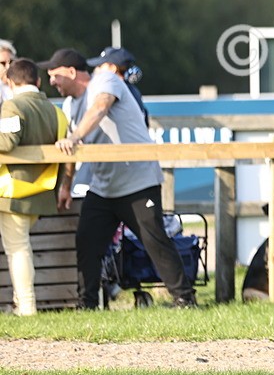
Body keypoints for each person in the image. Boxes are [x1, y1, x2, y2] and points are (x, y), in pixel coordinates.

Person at [39, 48, 197, 309]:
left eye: (54, 76)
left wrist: (75, 137)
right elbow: (70, 149)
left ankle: (184, 298)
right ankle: (86, 305)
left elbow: (100, 107)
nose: (52, 82)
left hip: (138, 182)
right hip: (103, 187)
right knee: (87, 243)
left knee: (154, 240)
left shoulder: (104, 79)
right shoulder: (69, 105)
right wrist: (66, 186)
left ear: (70, 72)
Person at [0, 59, 68, 315]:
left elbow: (6, 142)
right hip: (42, 192)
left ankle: (27, 307)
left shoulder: (12, 106)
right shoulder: (55, 111)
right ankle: (22, 303)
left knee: (17, 248)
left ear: (9, 81)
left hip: (13, 191)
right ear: (38, 82)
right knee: (21, 245)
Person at [87, 47, 148, 127]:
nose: (96, 70)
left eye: (100, 66)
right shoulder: (130, 90)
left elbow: (99, 109)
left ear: (112, 68)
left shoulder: (115, 89)